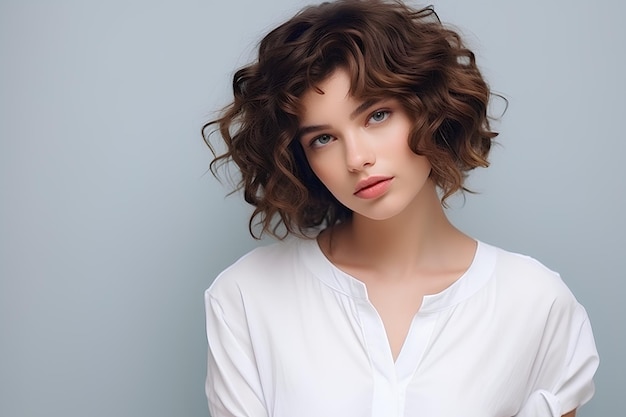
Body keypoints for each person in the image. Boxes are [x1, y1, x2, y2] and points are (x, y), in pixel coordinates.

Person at [201, 1, 599, 416]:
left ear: (429, 108)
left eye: (377, 115)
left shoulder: (535, 303)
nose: (356, 158)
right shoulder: (247, 296)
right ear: (301, 159)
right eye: (323, 138)